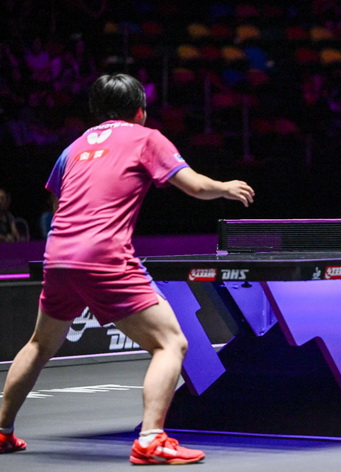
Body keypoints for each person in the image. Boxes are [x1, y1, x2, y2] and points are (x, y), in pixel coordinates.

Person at [0, 73, 255, 464]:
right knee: (171, 343)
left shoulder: (73, 147)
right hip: (104, 255)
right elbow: (194, 186)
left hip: (58, 253)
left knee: (39, 344)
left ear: (96, 111)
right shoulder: (147, 138)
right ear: (140, 111)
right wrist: (225, 187)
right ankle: (151, 439)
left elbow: (57, 204)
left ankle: (2, 431)